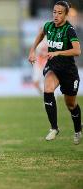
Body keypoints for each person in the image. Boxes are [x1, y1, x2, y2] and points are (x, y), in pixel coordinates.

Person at [28, 1, 82, 144]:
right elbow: (40, 34)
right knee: (48, 89)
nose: (56, 15)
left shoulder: (69, 29)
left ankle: (77, 130)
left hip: (69, 71)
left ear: (65, 14)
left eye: (60, 13)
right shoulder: (49, 26)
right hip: (53, 68)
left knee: (71, 105)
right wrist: (32, 51)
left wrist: (58, 52)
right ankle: (54, 128)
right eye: (54, 12)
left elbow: (77, 51)